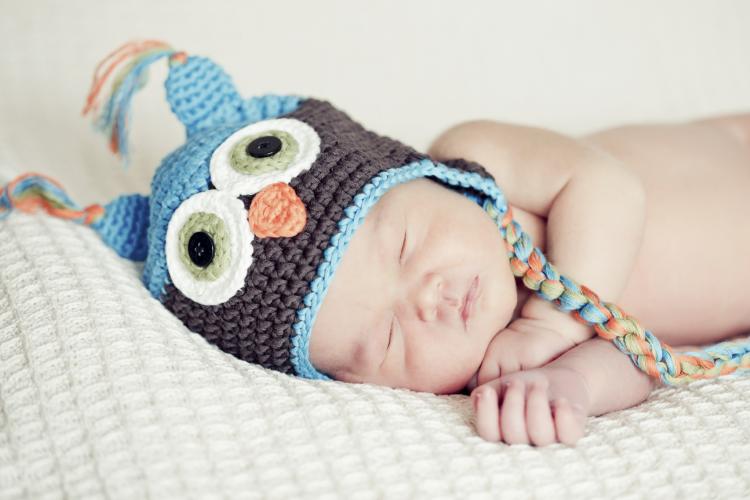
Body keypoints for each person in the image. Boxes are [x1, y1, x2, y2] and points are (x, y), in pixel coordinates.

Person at [308, 113, 750, 446]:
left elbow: (606, 186)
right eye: (389, 338)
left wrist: (550, 323)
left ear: (419, 175)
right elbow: (638, 356)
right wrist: (570, 382)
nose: (427, 299)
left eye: (406, 244)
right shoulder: (498, 361)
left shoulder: (477, 159)